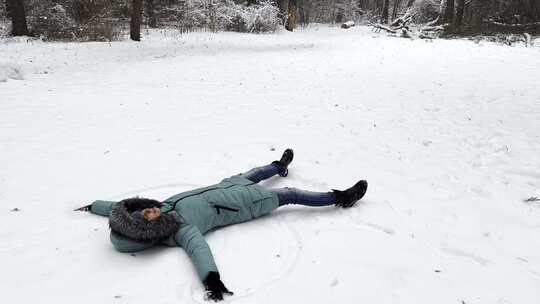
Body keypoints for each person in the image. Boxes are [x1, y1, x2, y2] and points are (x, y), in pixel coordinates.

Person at [76, 149, 367, 301]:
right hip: (245, 204)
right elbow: (200, 250)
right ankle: (339, 198)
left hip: (226, 186)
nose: (150, 209)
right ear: (148, 230)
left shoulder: (162, 208)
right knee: (290, 194)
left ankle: (279, 166)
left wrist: (95, 206)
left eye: (145, 210)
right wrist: (211, 279)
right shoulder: (180, 229)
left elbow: (120, 209)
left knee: (254, 171)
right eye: (148, 215)